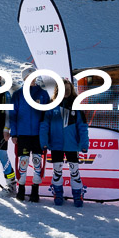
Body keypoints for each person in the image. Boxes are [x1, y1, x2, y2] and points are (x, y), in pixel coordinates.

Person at [40, 78, 88, 207]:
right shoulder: (51, 105)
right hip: (56, 144)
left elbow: (82, 127)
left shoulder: (76, 106)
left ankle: (78, 195)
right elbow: (44, 125)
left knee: (74, 171)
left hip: (72, 145)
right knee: (57, 170)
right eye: (63, 88)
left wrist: (84, 144)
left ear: (71, 90)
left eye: (68, 89)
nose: (66, 91)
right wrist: (43, 141)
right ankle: (58, 193)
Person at [9, 63, 50, 202]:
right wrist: (14, 133)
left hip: (38, 135)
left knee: (38, 162)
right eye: (29, 76)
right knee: (23, 162)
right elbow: (12, 115)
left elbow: (47, 115)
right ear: (24, 78)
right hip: (23, 135)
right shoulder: (17, 95)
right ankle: (21, 190)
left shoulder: (43, 94)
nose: (32, 79)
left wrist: (46, 133)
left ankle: (35, 191)